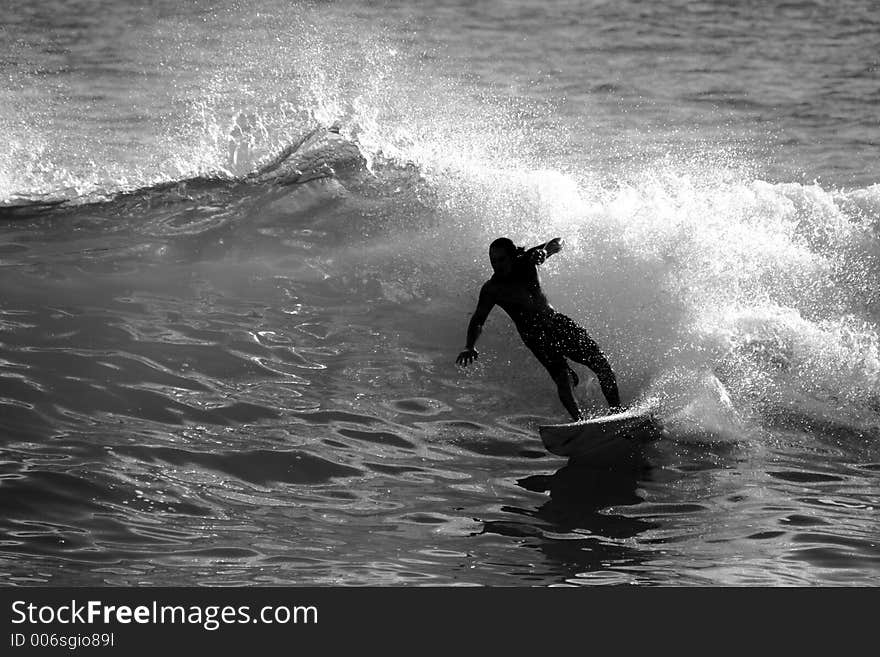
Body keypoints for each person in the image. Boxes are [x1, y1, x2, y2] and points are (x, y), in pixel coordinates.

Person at [455, 236, 621, 421]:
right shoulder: (492, 289)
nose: (497, 265)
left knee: (601, 365)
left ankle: (617, 413)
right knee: (563, 379)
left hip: (556, 323)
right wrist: (469, 345)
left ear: (512, 256)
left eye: (501, 259)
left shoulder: (527, 261)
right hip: (534, 336)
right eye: (493, 261)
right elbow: (478, 319)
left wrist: (545, 252)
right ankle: (581, 424)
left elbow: (558, 241)